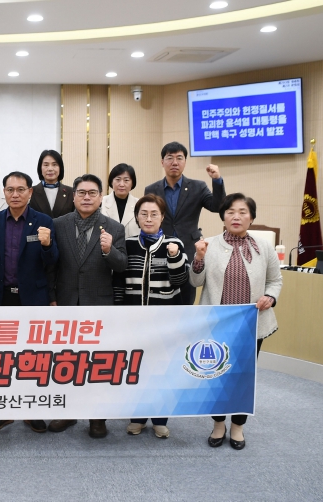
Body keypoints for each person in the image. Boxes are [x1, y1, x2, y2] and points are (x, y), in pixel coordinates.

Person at [190, 193, 282, 451]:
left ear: (251, 218)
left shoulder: (264, 247)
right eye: (230, 212)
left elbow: (275, 280)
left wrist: (270, 296)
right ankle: (218, 424)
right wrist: (198, 258)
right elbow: (195, 282)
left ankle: (238, 426)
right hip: (216, 324)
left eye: (242, 212)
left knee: (243, 377)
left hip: (251, 324)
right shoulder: (208, 244)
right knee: (216, 375)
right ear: (223, 217)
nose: (236, 217)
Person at [47, 174, 127, 439]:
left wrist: (108, 251)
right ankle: (68, 412)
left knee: (96, 363)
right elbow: (51, 264)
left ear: (101, 197)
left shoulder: (114, 228)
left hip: (99, 304)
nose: (86, 197)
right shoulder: (58, 224)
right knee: (66, 360)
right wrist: (51, 296)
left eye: (92, 193)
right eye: (81, 193)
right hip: (66, 302)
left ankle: (97, 417)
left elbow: (122, 266)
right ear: (73, 196)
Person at [0, 171, 58, 434]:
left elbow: (53, 262)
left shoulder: (44, 221)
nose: (15, 195)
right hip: (1, 297)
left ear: (30, 192)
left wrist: (47, 245)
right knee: (1, 357)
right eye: (10, 189)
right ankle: (2, 411)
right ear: (3, 192)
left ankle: (31, 411)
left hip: (33, 298)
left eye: (20, 190)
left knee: (32, 357)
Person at [112, 194, 188, 439]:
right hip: (134, 321)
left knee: (161, 370)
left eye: (154, 214)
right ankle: (137, 417)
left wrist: (174, 257)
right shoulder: (128, 243)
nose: (148, 218)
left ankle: (160, 420)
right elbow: (118, 280)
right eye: (143, 214)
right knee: (136, 369)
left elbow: (181, 281)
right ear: (136, 217)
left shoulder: (174, 243)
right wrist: (119, 314)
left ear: (162, 217)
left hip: (164, 322)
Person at [144, 141, 225, 304]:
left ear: (185, 162)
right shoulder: (151, 189)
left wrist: (217, 180)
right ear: (162, 162)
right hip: (160, 250)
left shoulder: (198, 186)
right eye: (170, 158)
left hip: (188, 250)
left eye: (179, 158)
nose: (175, 162)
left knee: (186, 300)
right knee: (159, 297)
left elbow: (217, 207)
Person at [29, 150, 74, 218]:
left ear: (60, 168)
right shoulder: (31, 192)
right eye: (46, 165)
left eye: (54, 165)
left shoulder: (71, 192)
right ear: (40, 168)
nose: (50, 169)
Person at [101, 163, 140, 239]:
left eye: (126, 180)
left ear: (132, 183)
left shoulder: (139, 204)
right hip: (107, 245)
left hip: (131, 246)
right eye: (118, 180)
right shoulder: (101, 202)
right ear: (111, 182)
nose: (122, 184)